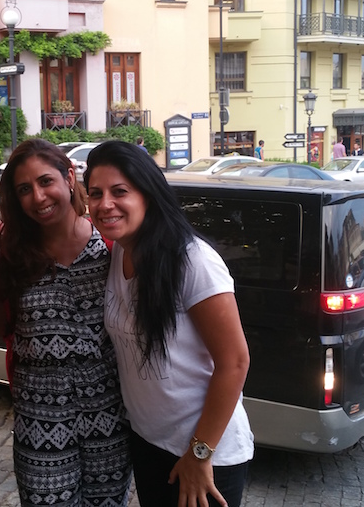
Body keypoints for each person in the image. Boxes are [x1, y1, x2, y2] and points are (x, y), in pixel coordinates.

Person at [85, 141, 253, 507]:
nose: (105, 204)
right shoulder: (121, 252)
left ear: (148, 193)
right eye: (95, 193)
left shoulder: (192, 261)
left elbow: (235, 362)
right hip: (148, 443)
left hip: (203, 454)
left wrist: (199, 454)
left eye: (119, 192)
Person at [0, 139, 132, 506]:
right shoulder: (10, 252)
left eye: (45, 181)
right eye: (24, 189)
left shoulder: (112, 247)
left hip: (110, 417)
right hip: (40, 419)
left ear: (69, 177)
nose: (38, 197)